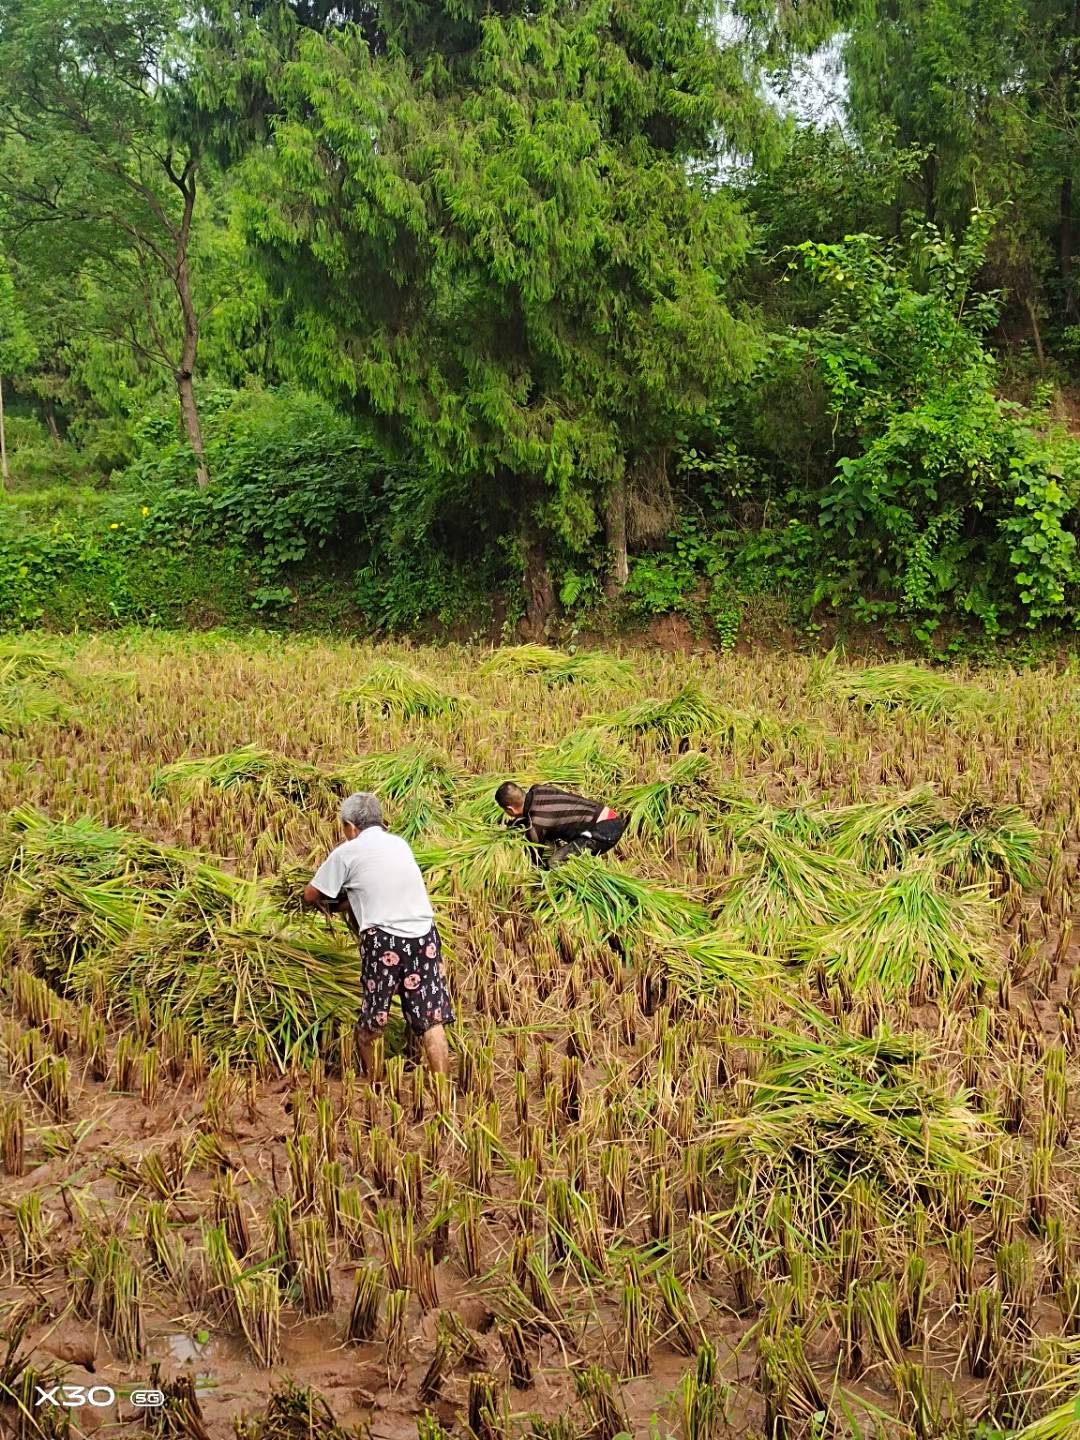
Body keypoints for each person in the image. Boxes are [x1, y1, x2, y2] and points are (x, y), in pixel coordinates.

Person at [302, 792, 453, 1076]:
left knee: (373, 1020)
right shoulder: (400, 844)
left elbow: (311, 894)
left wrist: (335, 903)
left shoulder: (347, 852)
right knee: (432, 1022)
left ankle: (376, 1083)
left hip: (385, 942)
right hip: (424, 936)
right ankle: (444, 1092)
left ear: (350, 826)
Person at [495, 780, 627, 867]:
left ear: (510, 809)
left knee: (553, 863)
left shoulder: (536, 826)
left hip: (604, 832)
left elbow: (536, 863)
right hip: (609, 815)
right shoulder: (538, 789)